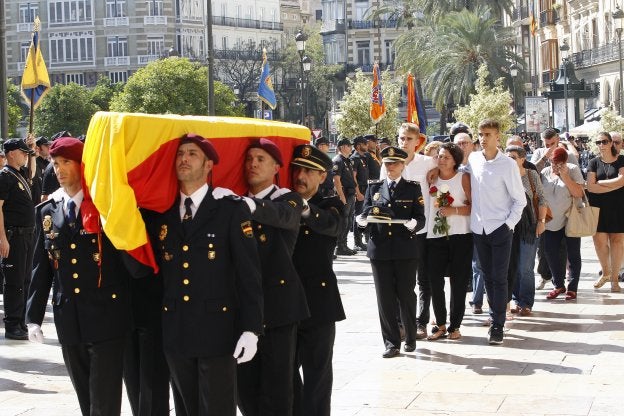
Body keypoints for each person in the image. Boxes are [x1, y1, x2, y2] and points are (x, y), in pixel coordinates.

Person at [144, 134, 263, 415]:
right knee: (186, 409)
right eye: (180, 154)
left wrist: (251, 329)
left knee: (218, 409)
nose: (184, 159)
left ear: (209, 165)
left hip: (218, 331)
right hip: (176, 329)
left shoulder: (230, 210)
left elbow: (249, 274)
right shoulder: (163, 212)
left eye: (192, 154)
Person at [26, 137, 132, 415]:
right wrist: (33, 317)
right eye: (55, 163)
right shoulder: (47, 212)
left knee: (105, 397)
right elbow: (42, 268)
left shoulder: (105, 206)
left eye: (66, 163)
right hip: (69, 316)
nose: (59, 170)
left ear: (82, 165)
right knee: (85, 396)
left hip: (106, 314)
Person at [237, 138, 310, 416]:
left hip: (278, 305)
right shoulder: (236, 200)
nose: (253, 164)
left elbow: (287, 217)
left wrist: (252, 206)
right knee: (245, 385)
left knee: (278, 384)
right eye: (249, 159)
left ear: (276, 167)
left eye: (261, 159)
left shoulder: (287, 198)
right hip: (245, 305)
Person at [290, 144, 346, 416]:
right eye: (298, 169)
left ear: (322, 176)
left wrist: (303, 208)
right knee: (285, 374)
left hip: (318, 304)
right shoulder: (282, 202)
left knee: (318, 377)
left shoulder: (330, 205)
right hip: (286, 304)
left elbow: (331, 225)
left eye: (309, 172)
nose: (301, 176)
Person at [357, 146, 425, 358]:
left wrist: (414, 223)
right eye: (387, 163)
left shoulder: (412, 188)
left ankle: (410, 337)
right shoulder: (374, 187)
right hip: (380, 250)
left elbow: (420, 218)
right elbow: (365, 215)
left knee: (405, 295)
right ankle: (391, 342)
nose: (390, 167)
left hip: (405, 248)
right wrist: (360, 223)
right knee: (384, 298)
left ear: (403, 165)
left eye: (395, 163)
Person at [468, 119, 526, 345]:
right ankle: (494, 318)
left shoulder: (507, 164)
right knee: (487, 276)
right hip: (478, 228)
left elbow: (519, 201)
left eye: (488, 134)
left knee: (500, 278)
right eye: (481, 134)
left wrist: (508, 225)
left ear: (498, 137)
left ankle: (497, 325)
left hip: (500, 228)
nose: (483, 139)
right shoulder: (473, 159)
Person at [383, 123, 433, 339]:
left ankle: (420, 322)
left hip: (421, 230)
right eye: (401, 138)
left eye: (408, 139)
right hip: (395, 231)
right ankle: (400, 324)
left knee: (423, 279)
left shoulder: (429, 163)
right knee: (398, 281)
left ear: (417, 141)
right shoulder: (387, 163)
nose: (404, 142)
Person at [425, 142, 472, 340]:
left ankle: (455, 325)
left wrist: (454, 210)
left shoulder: (463, 178)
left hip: (460, 234)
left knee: (458, 281)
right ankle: (441, 324)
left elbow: (473, 206)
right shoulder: (432, 177)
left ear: (455, 161)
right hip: (436, 235)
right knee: (435, 280)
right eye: (439, 156)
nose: (441, 160)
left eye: (446, 157)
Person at [1, 137, 36, 340]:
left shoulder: (18, 174)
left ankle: (21, 322)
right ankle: (13, 324)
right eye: (22, 153)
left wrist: (30, 149)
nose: (25, 156)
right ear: (12, 153)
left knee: (25, 279)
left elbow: (31, 172)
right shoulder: (4, 176)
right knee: (14, 282)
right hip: (13, 235)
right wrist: (2, 239)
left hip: (26, 235)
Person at [505, 145, 547, 316]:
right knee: (511, 266)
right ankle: (516, 300)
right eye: (507, 157)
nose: (510, 160)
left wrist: (541, 221)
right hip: (508, 227)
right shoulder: (504, 177)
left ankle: (526, 302)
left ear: (522, 159)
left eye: (513, 157)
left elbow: (542, 199)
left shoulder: (531, 175)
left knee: (525, 267)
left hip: (529, 227)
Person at [541, 147, 585, 301]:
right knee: (550, 252)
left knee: (573, 254)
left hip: (570, 219)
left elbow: (579, 193)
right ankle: (558, 285)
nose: (555, 166)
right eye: (552, 162)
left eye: (559, 163)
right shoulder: (545, 172)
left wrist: (565, 176)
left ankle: (572, 288)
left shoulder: (572, 169)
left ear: (565, 161)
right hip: (550, 221)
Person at [586, 132, 624, 292]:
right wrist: (614, 185)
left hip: (619, 207)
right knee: (599, 242)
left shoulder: (621, 160)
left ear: (611, 144)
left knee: (617, 242)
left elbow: (622, 180)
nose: (601, 144)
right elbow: (590, 186)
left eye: (604, 141)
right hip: (598, 208)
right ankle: (606, 272)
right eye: (598, 142)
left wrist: (601, 183)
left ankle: (615, 280)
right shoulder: (593, 162)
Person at [332, 138, 357, 255]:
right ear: (342, 147)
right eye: (348, 145)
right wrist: (341, 196)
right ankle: (340, 246)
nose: (351, 147)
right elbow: (336, 180)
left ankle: (344, 245)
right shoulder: (338, 160)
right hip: (344, 194)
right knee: (343, 220)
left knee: (349, 219)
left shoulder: (347, 160)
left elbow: (351, 178)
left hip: (350, 194)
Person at [350, 136, 369, 251]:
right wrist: (358, 192)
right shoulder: (355, 158)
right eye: (364, 144)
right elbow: (353, 177)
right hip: (360, 190)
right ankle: (357, 242)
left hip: (365, 189)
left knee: (363, 215)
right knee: (358, 216)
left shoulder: (363, 158)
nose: (366, 146)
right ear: (358, 146)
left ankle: (361, 240)